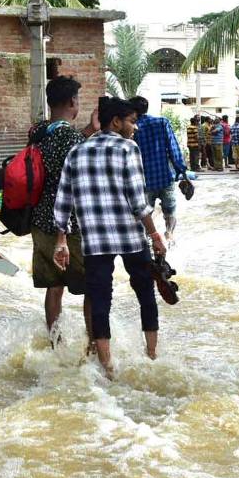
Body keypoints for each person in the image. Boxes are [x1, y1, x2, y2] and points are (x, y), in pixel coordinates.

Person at [52, 96, 167, 377]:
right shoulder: (128, 148)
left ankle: (107, 367)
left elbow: (63, 200)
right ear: (116, 122)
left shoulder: (76, 152)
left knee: (100, 298)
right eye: (132, 121)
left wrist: (61, 240)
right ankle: (151, 356)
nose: (135, 128)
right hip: (130, 236)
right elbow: (138, 201)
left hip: (95, 240)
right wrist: (154, 233)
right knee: (145, 294)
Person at [29, 75, 100, 340]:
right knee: (92, 285)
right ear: (73, 101)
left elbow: (57, 154)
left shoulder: (38, 132)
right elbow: (75, 182)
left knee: (54, 286)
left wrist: (89, 130)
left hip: (40, 220)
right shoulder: (70, 137)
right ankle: (94, 344)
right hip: (68, 225)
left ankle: (55, 344)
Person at [129, 96, 187, 242]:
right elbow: (173, 149)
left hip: (144, 181)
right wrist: (181, 171)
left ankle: (150, 241)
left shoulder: (131, 127)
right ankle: (169, 233)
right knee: (170, 211)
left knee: (145, 215)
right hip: (165, 177)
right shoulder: (162, 122)